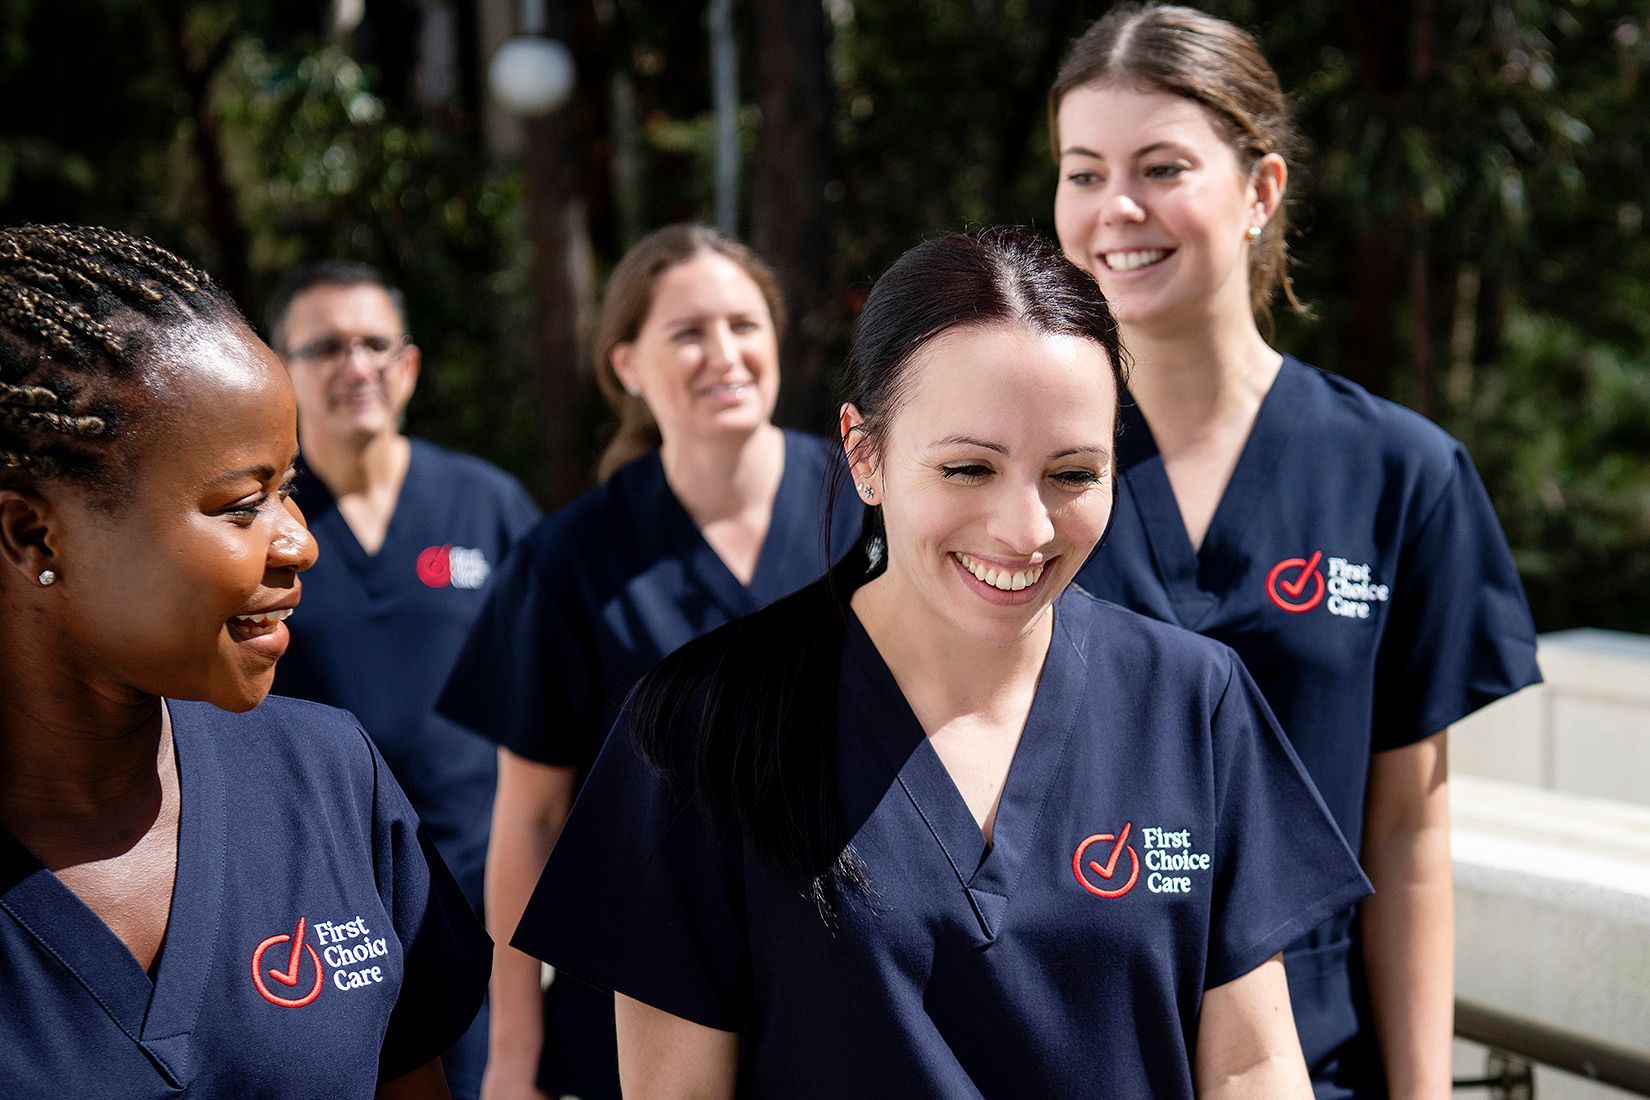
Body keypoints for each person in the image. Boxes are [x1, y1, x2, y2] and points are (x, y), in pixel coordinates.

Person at [510, 227, 1372, 1098]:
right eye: (968, 468)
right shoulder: (700, 728)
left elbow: (1252, 1064)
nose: (1026, 529)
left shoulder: (1192, 702)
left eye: (1073, 474)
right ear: (865, 455)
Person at [1048, 7, 1543, 1096]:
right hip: (1049, 1052)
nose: (1114, 209)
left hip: (1310, 1063)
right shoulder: (1003, 472)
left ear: (1261, 190)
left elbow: (1407, 833)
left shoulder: (1398, 474)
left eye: (1161, 166)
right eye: (1082, 172)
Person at [0, 224, 489, 1097]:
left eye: (289, 487)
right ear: (34, 532)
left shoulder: (331, 780)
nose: (298, 542)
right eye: (240, 504)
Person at [436, 223, 863, 1100]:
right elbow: (527, 823)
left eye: (745, 324)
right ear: (628, 365)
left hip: (850, 978)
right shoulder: (567, 562)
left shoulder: (866, 511)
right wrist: (514, 1055)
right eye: (688, 333)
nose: (726, 354)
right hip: (639, 999)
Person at [267, 261, 539, 1100]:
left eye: (375, 345)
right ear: (283, 372)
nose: (356, 367)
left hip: (482, 906)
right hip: (314, 904)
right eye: (327, 347)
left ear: (410, 365)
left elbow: (551, 713)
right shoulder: (260, 522)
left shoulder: (488, 505)